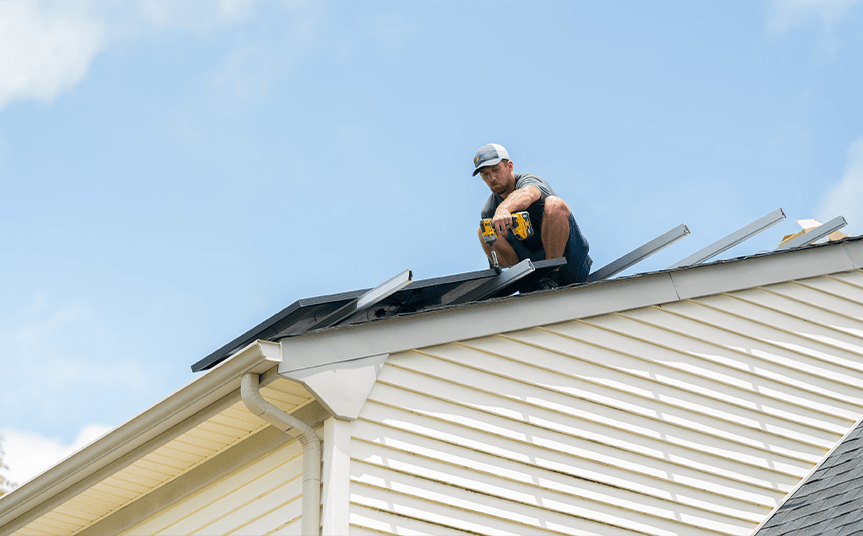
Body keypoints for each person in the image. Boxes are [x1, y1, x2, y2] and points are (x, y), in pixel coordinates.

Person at [474, 143, 592, 287]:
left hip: (569, 265)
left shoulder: (529, 182)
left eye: (496, 170)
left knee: (555, 205)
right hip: (534, 277)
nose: (492, 178)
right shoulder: (489, 211)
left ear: (509, 166)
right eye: (485, 174)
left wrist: (504, 209)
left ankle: (552, 275)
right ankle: (517, 281)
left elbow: (529, 193)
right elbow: (495, 252)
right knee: (484, 230)